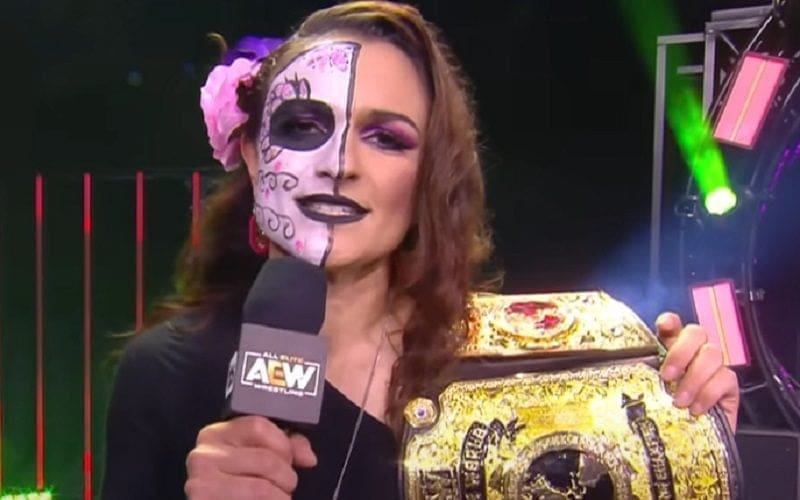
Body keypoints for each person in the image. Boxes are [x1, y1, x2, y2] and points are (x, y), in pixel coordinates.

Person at [101, 2, 740, 499]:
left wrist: (696, 447)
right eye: (304, 126)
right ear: (250, 151)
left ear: (427, 177)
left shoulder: (508, 364)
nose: (340, 164)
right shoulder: (165, 375)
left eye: (385, 138)